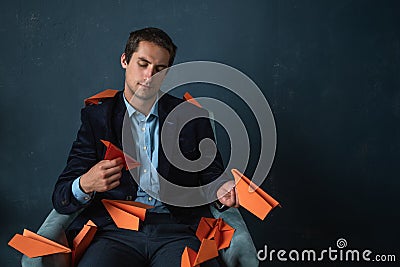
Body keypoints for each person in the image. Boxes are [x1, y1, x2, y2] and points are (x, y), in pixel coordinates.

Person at [52, 27, 238, 267]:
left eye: (160, 69)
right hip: (113, 232)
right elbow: (61, 195)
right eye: (143, 63)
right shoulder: (97, 118)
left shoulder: (191, 116)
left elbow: (212, 176)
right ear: (124, 60)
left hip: (178, 230)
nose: (150, 76)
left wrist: (223, 191)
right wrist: (86, 183)